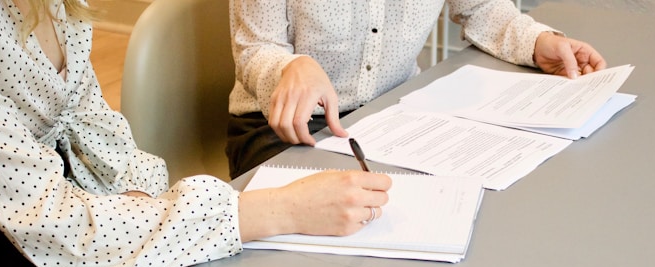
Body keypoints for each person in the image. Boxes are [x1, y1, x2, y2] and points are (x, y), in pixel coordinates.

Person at [0, 0, 391, 267]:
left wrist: (143, 199)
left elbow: (92, 123)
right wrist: (280, 211)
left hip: (54, 198)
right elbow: (54, 221)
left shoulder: (58, 6)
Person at [227, 0, 608, 178]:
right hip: (282, 126)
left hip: (391, 115)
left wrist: (536, 41)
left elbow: (479, 6)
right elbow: (255, 48)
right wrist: (291, 67)